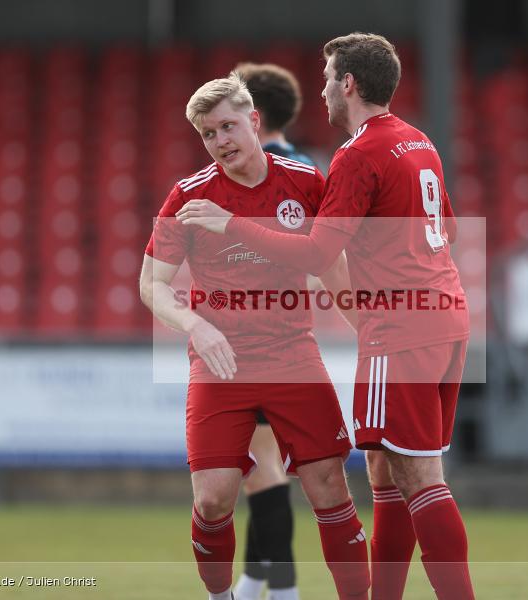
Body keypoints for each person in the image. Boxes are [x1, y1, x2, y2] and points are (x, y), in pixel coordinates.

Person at [176, 33, 475, 600]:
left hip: (401, 326)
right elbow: (450, 230)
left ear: (349, 84)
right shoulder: (418, 142)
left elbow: (315, 253)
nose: (322, 92)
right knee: (387, 472)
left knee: (419, 479)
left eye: (327, 79)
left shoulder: (359, 153)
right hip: (446, 315)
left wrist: (231, 224)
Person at [139, 73, 370, 600]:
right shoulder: (189, 197)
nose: (220, 141)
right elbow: (151, 284)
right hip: (221, 365)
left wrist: (369, 334)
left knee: (330, 486)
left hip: (292, 355)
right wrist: (195, 324)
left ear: (255, 122)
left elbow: (333, 268)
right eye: (207, 134)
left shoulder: (306, 182)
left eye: (228, 126)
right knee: (214, 500)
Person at [230, 61, 316, 600]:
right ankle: (253, 582)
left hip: (251, 338)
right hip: (289, 335)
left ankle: (281, 589)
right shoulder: (307, 168)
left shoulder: (250, 173)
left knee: (262, 472)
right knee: (263, 469)